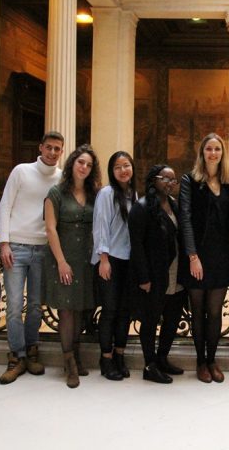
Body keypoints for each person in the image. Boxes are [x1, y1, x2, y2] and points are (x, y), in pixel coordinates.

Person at [0, 131, 64, 385]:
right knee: (14, 306)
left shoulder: (61, 178)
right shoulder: (21, 171)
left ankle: (32, 350)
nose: (52, 152)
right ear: (40, 147)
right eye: (49, 147)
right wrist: (4, 242)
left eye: (57, 149)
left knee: (36, 305)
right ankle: (17, 356)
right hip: (16, 246)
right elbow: (5, 206)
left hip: (43, 249)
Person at [42, 145, 101, 388]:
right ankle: (69, 363)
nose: (84, 167)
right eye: (80, 162)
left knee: (79, 309)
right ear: (72, 164)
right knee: (66, 310)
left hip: (86, 260)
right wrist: (61, 262)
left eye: (88, 164)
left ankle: (75, 354)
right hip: (63, 258)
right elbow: (50, 228)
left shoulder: (95, 193)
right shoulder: (56, 193)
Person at [179, 133, 229, 383]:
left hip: (220, 255)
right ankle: (200, 362)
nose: (213, 153)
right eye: (209, 149)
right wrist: (192, 256)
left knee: (215, 312)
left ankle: (212, 359)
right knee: (198, 311)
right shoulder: (190, 181)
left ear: (222, 153)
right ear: (202, 153)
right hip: (196, 257)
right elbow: (185, 220)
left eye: (217, 149)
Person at [128, 165, 187, 384]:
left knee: (172, 319)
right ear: (154, 180)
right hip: (154, 275)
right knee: (151, 320)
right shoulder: (142, 208)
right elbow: (137, 247)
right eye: (166, 179)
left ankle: (162, 358)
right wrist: (144, 278)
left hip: (176, 273)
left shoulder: (173, 205)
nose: (171, 183)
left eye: (174, 180)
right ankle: (149, 365)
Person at [92, 151, 137, 381]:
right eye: (118, 167)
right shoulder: (106, 194)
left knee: (124, 312)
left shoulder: (134, 194)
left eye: (126, 165)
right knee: (109, 311)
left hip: (129, 261)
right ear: (112, 170)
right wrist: (104, 259)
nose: (123, 170)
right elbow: (100, 227)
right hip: (109, 260)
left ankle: (120, 355)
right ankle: (106, 358)